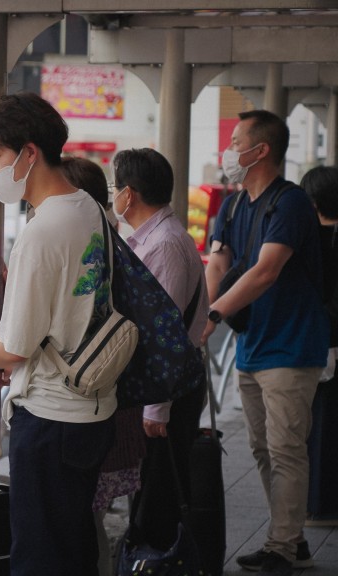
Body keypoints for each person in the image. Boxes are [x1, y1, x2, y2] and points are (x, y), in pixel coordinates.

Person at [0, 93, 115, 576]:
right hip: (93, 408)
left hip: (51, 416)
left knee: (38, 556)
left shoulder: (43, 230)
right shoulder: (89, 209)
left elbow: (15, 345)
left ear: (29, 152)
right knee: (74, 547)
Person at [203, 110, 329, 576]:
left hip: (292, 347)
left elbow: (266, 270)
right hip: (252, 344)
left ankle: (281, 544)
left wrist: (215, 313)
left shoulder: (290, 204)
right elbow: (218, 262)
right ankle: (290, 537)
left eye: (235, 141)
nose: (229, 150)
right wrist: (206, 310)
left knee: (286, 448)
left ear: (261, 151)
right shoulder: (232, 206)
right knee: (261, 448)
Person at [109, 148, 209, 553]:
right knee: (154, 494)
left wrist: (156, 410)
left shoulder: (164, 245)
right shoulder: (152, 238)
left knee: (161, 499)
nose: (113, 195)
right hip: (162, 389)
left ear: (129, 195)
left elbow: (163, 337)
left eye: (116, 187)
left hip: (166, 393)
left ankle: (163, 560)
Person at [60, 155, 144, 576]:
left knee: (83, 524)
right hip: (110, 403)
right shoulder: (112, 240)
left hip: (90, 401)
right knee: (88, 521)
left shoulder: (91, 247)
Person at [300, 165, 338, 525]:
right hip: (328, 340)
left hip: (313, 344)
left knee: (312, 430)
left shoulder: (304, 241)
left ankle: (317, 505)